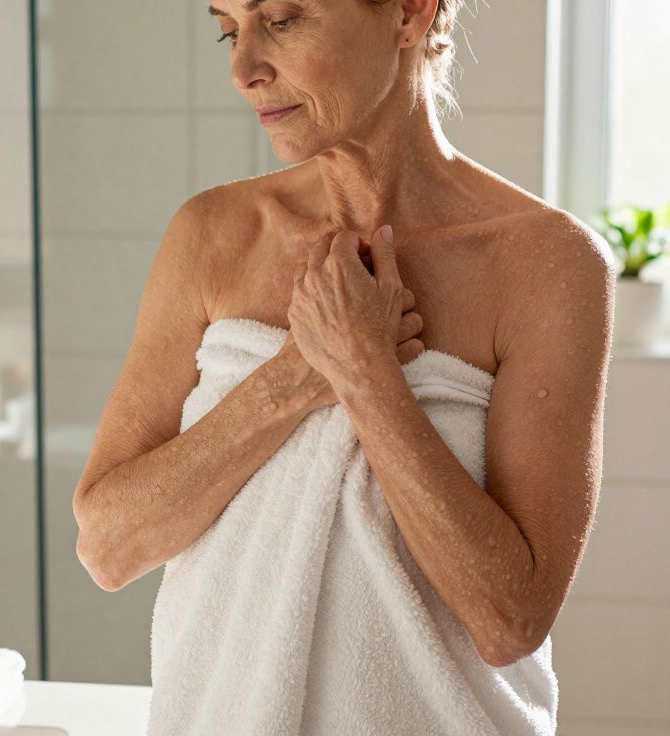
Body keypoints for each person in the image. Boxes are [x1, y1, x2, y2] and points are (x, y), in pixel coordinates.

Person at [74, 0, 613, 733]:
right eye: (229, 28)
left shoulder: (546, 264)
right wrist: (297, 376)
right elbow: (108, 545)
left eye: (284, 19)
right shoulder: (212, 236)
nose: (243, 68)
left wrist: (367, 374)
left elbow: (510, 618)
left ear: (408, 13)